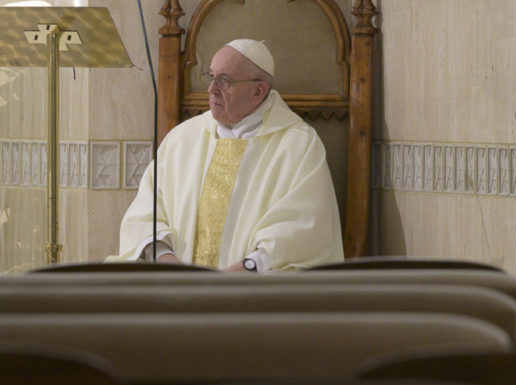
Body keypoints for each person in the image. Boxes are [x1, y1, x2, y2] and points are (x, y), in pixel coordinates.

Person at [112, 39, 343, 271]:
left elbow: (306, 229)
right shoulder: (182, 139)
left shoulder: (297, 144)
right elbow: (145, 217)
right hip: (177, 288)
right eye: (211, 77)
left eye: (224, 81)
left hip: (253, 293)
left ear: (258, 91)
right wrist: (169, 264)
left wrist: (247, 269)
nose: (212, 90)